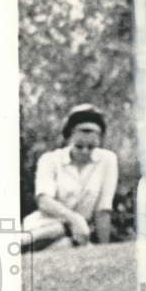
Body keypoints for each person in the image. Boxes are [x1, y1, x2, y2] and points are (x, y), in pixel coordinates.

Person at [21, 105, 118, 250]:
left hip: (78, 235)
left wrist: (105, 249)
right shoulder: (50, 160)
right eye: (79, 146)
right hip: (43, 226)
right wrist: (74, 219)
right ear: (69, 138)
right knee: (59, 230)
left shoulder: (108, 160)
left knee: (69, 245)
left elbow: (103, 210)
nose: (85, 151)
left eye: (91, 147)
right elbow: (44, 200)